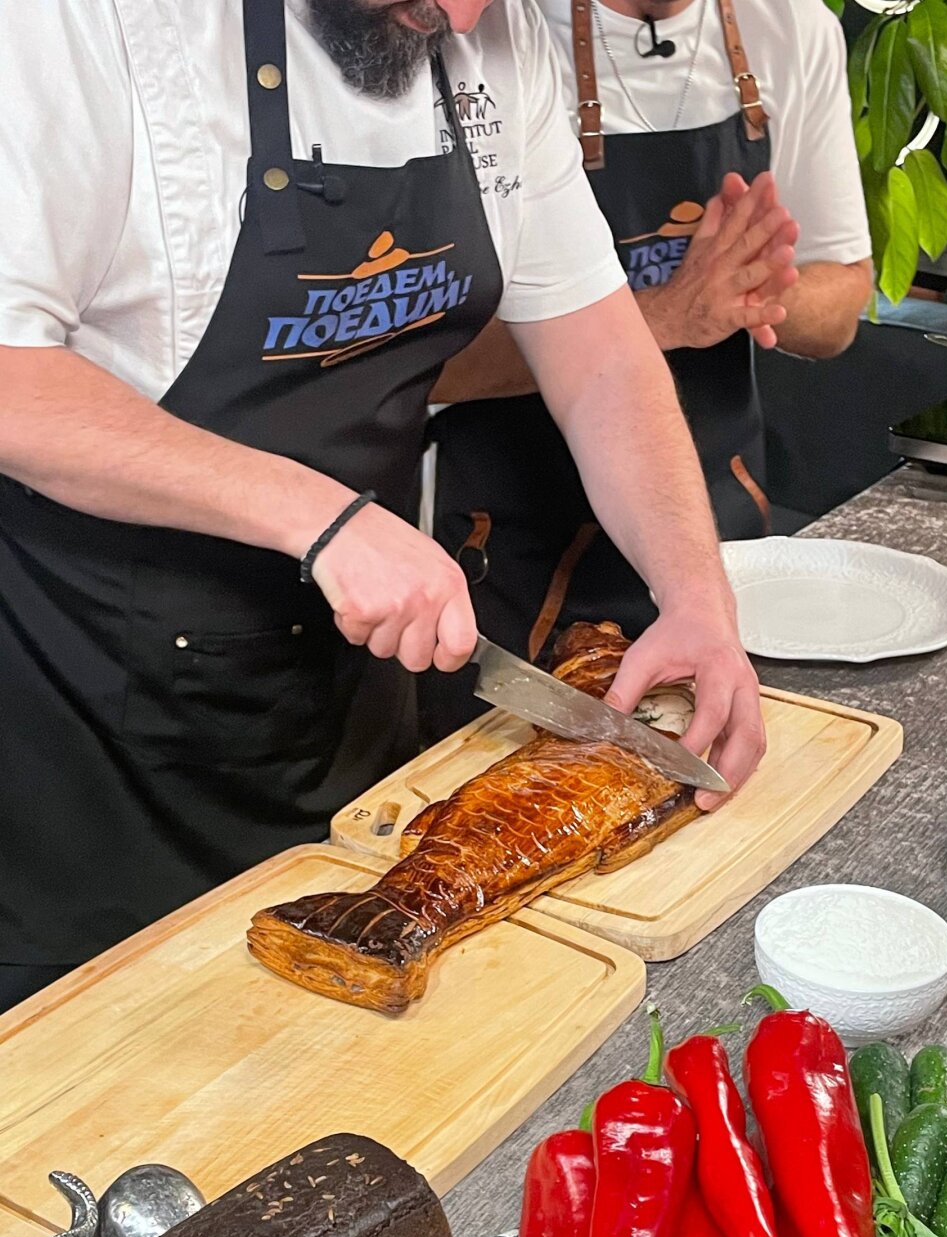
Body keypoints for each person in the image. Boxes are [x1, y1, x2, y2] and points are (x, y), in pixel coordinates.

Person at [0, 0, 770, 1006]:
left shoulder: (497, 43)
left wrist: (697, 601)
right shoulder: (79, 27)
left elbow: (604, 364)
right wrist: (318, 517)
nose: (464, 12)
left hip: (351, 699)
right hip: (88, 733)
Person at [419, 0, 873, 739]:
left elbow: (843, 299)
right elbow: (435, 363)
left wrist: (744, 294)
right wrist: (669, 313)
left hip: (718, 531)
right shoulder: (495, 35)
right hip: (513, 549)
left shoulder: (794, 29)